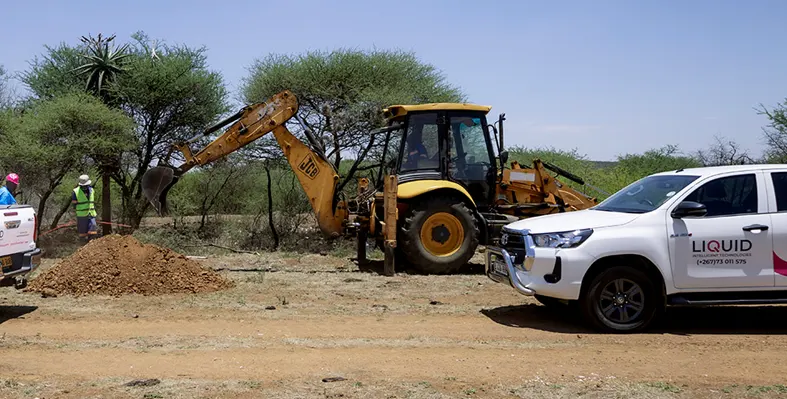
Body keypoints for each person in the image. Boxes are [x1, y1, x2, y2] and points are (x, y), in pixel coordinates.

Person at [71, 174, 98, 241]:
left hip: (91, 213)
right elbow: (74, 204)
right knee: (82, 232)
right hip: (81, 215)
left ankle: (91, 244)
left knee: (93, 229)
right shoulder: (75, 191)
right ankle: (83, 247)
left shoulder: (92, 190)